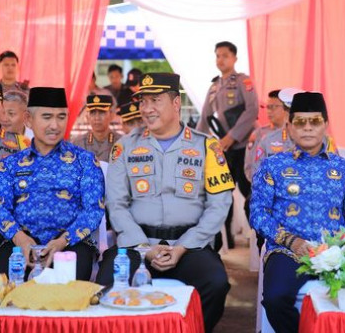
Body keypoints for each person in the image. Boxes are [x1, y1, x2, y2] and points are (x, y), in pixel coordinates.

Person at [98, 73, 233, 333]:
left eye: (155, 100)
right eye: (143, 101)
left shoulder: (207, 146)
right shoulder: (125, 147)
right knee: (106, 284)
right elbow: (116, 204)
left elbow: (219, 206)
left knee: (216, 284)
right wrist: (145, 248)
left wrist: (182, 247)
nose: (146, 108)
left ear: (175, 103)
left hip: (189, 247)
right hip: (136, 245)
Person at [251, 91, 345, 333]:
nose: (307, 128)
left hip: (336, 253)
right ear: (290, 127)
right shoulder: (273, 166)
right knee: (275, 299)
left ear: (325, 125)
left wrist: (338, 245)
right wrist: (291, 241)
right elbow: (258, 213)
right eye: (300, 122)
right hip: (289, 251)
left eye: (314, 121)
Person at [0, 87, 105, 281]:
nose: (55, 125)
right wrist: (20, 238)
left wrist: (62, 241)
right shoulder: (10, 164)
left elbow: (93, 210)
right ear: (28, 119)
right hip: (21, 242)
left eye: (61, 117)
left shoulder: (85, 161)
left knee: (68, 291)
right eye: (47, 117)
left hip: (71, 243)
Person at [197, 41, 259, 247]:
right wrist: (195, 142)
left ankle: (257, 236)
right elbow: (205, 116)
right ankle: (227, 238)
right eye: (217, 55)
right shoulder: (214, 86)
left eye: (225, 55)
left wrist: (232, 137)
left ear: (234, 58)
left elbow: (252, 110)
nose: (220, 59)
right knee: (222, 192)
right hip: (224, 148)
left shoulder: (243, 81)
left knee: (248, 190)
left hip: (244, 146)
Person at [244, 89, 288, 183]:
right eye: (267, 107)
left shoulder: (296, 134)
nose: (269, 111)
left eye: (273, 107)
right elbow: (250, 167)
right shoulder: (258, 134)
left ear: (286, 108)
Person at [71, 94, 120, 162]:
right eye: (93, 113)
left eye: (102, 112)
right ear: (87, 117)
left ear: (112, 115)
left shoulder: (121, 142)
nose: (97, 118)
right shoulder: (78, 143)